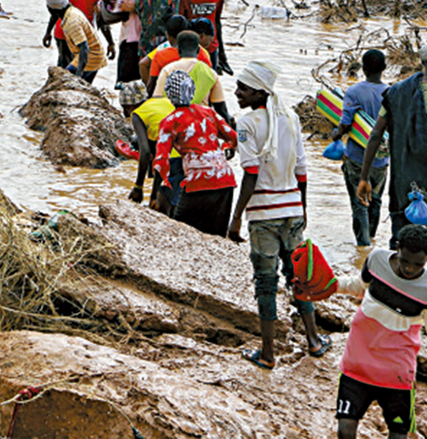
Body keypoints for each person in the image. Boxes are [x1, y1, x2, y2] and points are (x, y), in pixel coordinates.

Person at [226, 61, 327, 369]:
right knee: (298, 278)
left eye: (242, 88)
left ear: (260, 91)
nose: (237, 92)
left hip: (264, 215)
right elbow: (301, 170)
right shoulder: (291, 117)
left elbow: (251, 173)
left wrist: (236, 217)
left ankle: (268, 353)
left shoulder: (246, 124)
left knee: (266, 284)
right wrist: (303, 206)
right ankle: (313, 340)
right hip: (292, 209)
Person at [335, 224, 427, 439]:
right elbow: (360, 286)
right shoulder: (376, 259)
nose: (410, 269)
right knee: (345, 430)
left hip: (397, 373)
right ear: (397, 247)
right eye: (405, 261)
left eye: (417, 264)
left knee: (398, 434)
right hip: (357, 362)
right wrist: (329, 286)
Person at [360, 41, 427, 287]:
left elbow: (375, 135)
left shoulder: (396, 92)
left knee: (400, 240)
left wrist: (364, 178)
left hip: (401, 186)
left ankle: (390, 291)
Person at [153, 70, 237, 237]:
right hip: (225, 180)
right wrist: (226, 149)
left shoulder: (169, 122)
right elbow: (233, 137)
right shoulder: (210, 112)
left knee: (184, 232)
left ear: (169, 94)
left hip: (198, 182)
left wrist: (156, 194)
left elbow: (161, 162)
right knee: (217, 236)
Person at [334, 50, 390, 248]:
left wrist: (336, 134)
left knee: (359, 204)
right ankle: (372, 241)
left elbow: (346, 124)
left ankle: (363, 246)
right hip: (382, 160)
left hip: (357, 157)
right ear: (384, 68)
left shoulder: (354, 92)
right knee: (375, 201)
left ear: (363, 69)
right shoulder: (390, 92)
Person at [178, 0, 231, 73]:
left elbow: (217, 21)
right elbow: (181, 20)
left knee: (210, 78)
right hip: (192, 45)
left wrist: (222, 52)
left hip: (211, 45)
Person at [45, 0, 103, 84]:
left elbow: (84, 48)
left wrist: (78, 75)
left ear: (50, 9)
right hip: (92, 54)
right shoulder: (70, 11)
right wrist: (48, 33)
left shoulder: (71, 23)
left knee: (62, 81)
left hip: (91, 57)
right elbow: (55, 16)